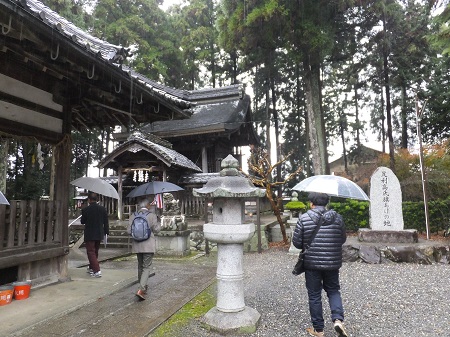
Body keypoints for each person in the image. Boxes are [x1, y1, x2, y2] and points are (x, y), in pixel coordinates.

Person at [292, 192, 348, 337]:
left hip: (311, 264)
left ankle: (319, 330)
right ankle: (337, 320)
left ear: (311, 203)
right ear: (326, 203)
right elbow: (342, 239)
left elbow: (297, 243)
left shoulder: (304, 218)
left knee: (314, 295)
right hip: (332, 263)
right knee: (334, 290)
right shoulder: (338, 218)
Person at [128, 198, 161, 300]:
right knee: (146, 267)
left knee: (140, 266)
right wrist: (159, 223)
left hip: (137, 244)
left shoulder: (133, 215)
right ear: (148, 206)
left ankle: (143, 286)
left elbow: (129, 230)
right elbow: (156, 230)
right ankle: (141, 289)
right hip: (148, 245)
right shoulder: (151, 216)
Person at [80, 192, 109, 278]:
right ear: (96, 200)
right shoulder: (102, 209)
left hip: (90, 233)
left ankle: (97, 270)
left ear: (89, 200)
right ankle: (91, 267)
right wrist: (106, 232)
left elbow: (82, 221)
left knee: (91, 252)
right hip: (99, 233)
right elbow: (106, 222)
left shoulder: (86, 210)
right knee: (95, 251)